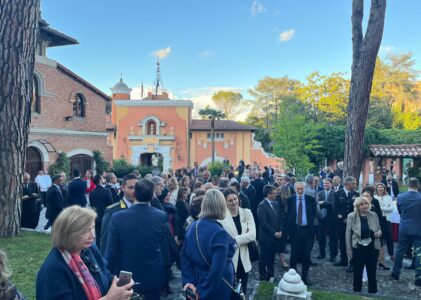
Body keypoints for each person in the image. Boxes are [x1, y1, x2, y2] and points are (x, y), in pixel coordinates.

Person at [36, 206, 134, 300]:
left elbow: (105, 275)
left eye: (92, 228)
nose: (92, 235)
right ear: (68, 234)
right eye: (85, 231)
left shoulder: (89, 249)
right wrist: (110, 298)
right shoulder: (54, 271)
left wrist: (117, 285)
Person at [105, 179, 167, 299]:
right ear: (152, 196)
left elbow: (111, 251)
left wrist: (108, 275)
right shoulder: (160, 216)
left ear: (134, 193)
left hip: (126, 276)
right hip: (152, 274)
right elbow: (162, 246)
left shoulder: (118, 217)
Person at [181, 189, 236, 300]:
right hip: (216, 286)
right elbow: (216, 270)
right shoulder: (220, 233)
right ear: (221, 206)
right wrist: (201, 291)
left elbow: (184, 256)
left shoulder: (193, 226)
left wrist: (189, 281)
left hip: (196, 279)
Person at [219, 188, 256, 294]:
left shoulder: (247, 212)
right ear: (225, 202)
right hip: (229, 260)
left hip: (244, 258)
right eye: (230, 200)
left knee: (243, 290)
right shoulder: (220, 217)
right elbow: (224, 239)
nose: (234, 202)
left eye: (235, 199)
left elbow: (253, 235)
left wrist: (234, 240)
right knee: (229, 290)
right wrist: (243, 238)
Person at [346, 196, 382, 294]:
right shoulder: (351, 216)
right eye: (361, 204)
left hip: (372, 248)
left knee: (372, 273)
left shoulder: (374, 215)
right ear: (357, 206)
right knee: (357, 273)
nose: (364, 206)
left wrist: (379, 233)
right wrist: (349, 252)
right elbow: (348, 235)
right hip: (358, 248)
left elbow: (379, 229)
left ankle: (373, 293)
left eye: (366, 203)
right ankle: (356, 293)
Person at [391, 178, 421, 286]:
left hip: (404, 227)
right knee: (419, 253)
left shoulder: (400, 197)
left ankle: (396, 272)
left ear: (408, 185)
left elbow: (399, 211)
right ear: (418, 186)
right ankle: (419, 276)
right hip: (418, 228)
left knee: (400, 250)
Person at [287, 182, 317, 286]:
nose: (300, 191)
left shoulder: (310, 200)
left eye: (302, 189)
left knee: (307, 254)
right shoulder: (290, 200)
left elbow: (313, 214)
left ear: (304, 189)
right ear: (295, 189)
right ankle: (292, 275)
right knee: (294, 254)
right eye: (298, 189)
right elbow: (288, 214)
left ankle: (305, 276)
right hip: (295, 230)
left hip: (307, 230)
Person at [100, 173, 138, 254]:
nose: (134, 191)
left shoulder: (142, 209)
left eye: (136, 188)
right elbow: (105, 243)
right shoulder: (112, 211)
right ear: (123, 188)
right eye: (130, 188)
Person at [257, 185, 285, 281]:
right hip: (266, 237)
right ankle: (262, 275)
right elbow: (263, 223)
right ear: (268, 194)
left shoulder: (275, 204)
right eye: (274, 193)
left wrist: (280, 230)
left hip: (275, 236)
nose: (276, 195)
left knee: (272, 258)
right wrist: (274, 233)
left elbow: (279, 218)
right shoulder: (262, 205)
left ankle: (271, 274)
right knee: (264, 258)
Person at [333, 176, 359, 270]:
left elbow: (357, 208)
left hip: (353, 222)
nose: (355, 185)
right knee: (343, 242)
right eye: (354, 183)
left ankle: (352, 263)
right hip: (341, 222)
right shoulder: (337, 194)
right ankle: (343, 260)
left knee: (353, 242)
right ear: (348, 184)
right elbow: (335, 208)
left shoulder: (356, 194)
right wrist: (343, 218)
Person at [89, 174, 113, 249]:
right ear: (100, 180)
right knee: (106, 234)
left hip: (96, 216)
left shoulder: (91, 193)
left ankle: (99, 249)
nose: (103, 179)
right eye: (102, 178)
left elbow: (92, 204)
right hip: (105, 215)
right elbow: (111, 204)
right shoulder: (106, 191)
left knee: (98, 235)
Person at [374, 182, 394, 267]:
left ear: (384, 188)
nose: (380, 189)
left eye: (382, 187)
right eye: (379, 187)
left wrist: (381, 207)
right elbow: (374, 208)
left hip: (387, 219)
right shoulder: (374, 197)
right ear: (376, 189)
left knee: (389, 237)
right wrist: (385, 207)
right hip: (378, 220)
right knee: (379, 238)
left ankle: (391, 254)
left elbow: (391, 208)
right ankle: (379, 255)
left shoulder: (388, 197)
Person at [317, 178, 337, 261]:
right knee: (321, 237)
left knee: (333, 238)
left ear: (331, 184)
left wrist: (324, 203)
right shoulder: (319, 193)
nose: (326, 185)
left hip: (331, 219)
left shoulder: (335, 194)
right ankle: (322, 253)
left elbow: (334, 205)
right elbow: (317, 204)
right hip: (321, 218)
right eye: (324, 183)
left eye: (327, 183)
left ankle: (333, 255)